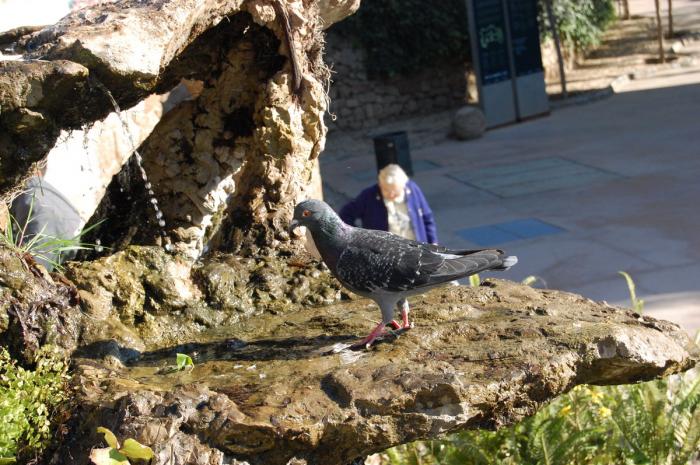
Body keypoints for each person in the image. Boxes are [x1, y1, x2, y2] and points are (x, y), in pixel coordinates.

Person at [339, 164, 437, 244]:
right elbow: (346, 214)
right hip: (385, 252)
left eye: (395, 191)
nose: (391, 194)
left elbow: (427, 217)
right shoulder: (369, 195)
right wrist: (356, 236)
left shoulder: (412, 189)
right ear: (380, 184)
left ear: (403, 185)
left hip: (416, 248)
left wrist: (433, 242)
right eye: (386, 190)